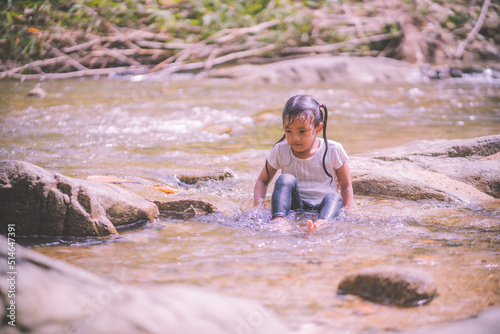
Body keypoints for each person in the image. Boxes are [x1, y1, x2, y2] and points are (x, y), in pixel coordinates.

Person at [253, 95, 353, 231]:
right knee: (285, 179)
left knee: (334, 197)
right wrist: (258, 207)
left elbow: (345, 185)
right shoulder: (280, 150)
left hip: (324, 206)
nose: (295, 138)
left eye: (302, 131)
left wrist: (348, 213)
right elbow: (262, 181)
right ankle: (279, 219)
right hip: (295, 204)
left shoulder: (333, 149)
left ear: (318, 129)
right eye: (288, 131)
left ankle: (322, 222)